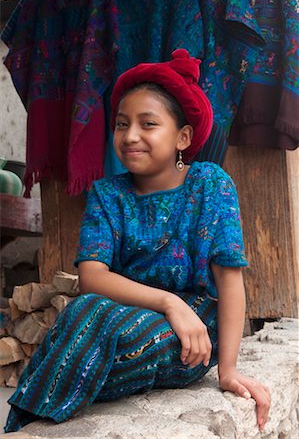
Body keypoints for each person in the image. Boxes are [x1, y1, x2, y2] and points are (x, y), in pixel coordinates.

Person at [5, 49, 270, 434]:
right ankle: (30, 425)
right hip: (125, 318)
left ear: (183, 137)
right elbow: (93, 276)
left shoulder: (209, 184)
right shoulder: (108, 193)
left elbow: (230, 280)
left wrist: (227, 370)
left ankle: (20, 425)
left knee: (85, 323)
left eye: (148, 124)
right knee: (84, 320)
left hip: (190, 335)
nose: (130, 136)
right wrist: (168, 301)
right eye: (121, 124)